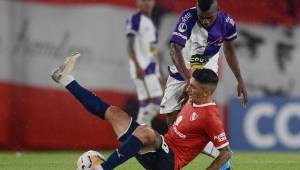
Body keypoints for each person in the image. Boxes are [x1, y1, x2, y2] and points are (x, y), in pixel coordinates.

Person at [51, 53, 232, 170]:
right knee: (115, 114)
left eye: (192, 87)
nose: (187, 89)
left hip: (169, 162)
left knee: (145, 130)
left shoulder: (211, 117)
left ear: (207, 92)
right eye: (189, 85)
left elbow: (226, 153)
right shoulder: (193, 99)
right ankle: (65, 79)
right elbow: (188, 132)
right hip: (162, 148)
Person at [160, 0, 248, 160]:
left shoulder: (227, 22)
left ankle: (222, 151)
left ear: (218, 10)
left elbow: (229, 50)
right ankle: (218, 153)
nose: (205, 21)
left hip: (205, 73)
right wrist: (188, 80)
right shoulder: (187, 17)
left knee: (200, 112)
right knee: (172, 119)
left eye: (209, 17)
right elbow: (174, 49)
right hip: (182, 71)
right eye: (202, 17)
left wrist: (239, 79)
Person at [126, 0, 164, 125]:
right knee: (157, 101)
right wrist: (137, 66)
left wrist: (160, 72)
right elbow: (130, 46)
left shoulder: (151, 23)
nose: (147, 3)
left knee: (145, 104)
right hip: (142, 68)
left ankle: (141, 134)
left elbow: (153, 50)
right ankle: (141, 129)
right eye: (143, 1)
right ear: (137, 3)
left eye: (149, 0)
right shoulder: (135, 19)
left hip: (151, 68)